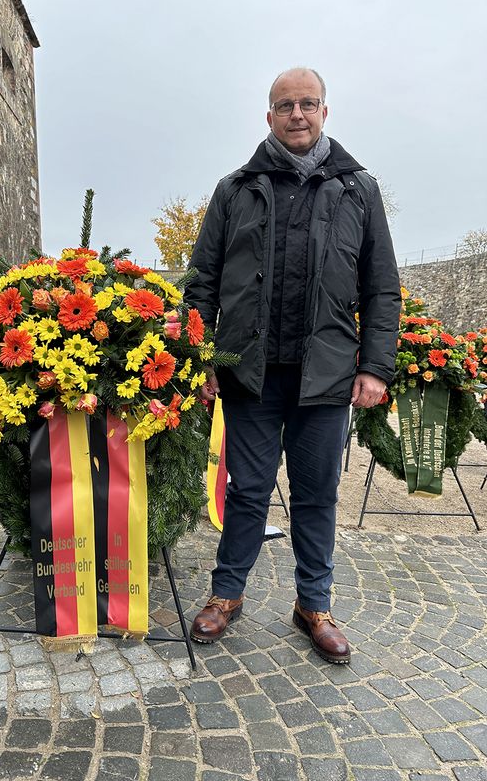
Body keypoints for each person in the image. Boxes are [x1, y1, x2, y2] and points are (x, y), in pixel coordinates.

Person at [184, 67, 401, 664]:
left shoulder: (358, 189)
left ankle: (314, 604)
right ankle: (227, 594)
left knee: (315, 495)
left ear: (325, 112)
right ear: (269, 117)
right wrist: (204, 358)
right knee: (246, 491)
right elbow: (201, 283)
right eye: (286, 105)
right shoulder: (236, 189)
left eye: (308, 104)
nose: (297, 114)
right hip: (250, 374)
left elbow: (382, 287)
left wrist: (376, 366)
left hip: (326, 374)